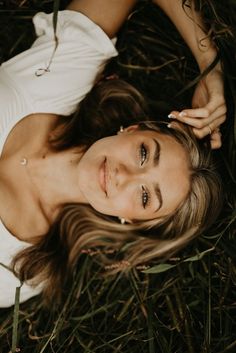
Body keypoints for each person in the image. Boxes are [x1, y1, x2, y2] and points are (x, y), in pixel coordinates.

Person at [0, 0, 226, 307]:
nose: (125, 175)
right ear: (132, 130)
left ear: (131, 221)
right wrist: (210, 65)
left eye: (145, 197)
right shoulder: (63, 76)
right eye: (144, 154)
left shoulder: (22, 270)